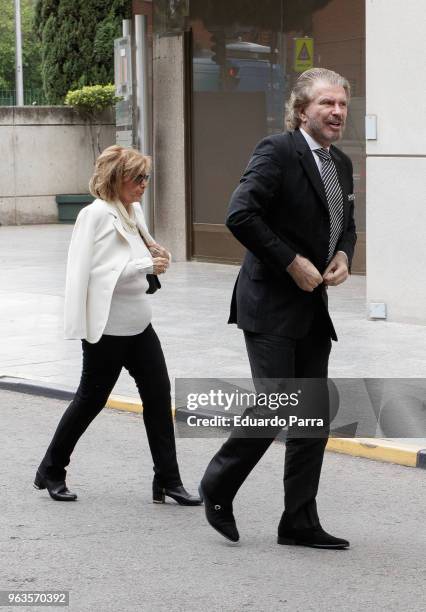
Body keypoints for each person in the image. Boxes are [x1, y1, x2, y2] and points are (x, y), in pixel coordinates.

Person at [200, 68, 356, 548]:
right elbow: (239, 214)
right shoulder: (277, 150)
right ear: (302, 109)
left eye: (342, 105)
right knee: (274, 405)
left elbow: (345, 223)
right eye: (326, 103)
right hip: (269, 302)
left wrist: (344, 255)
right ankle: (218, 484)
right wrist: (292, 263)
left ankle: (299, 521)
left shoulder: (341, 163)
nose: (336, 112)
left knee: (311, 418)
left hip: (312, 307)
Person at [34, 145, 201, 506]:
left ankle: (168, 481)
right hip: (107, 328)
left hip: (140, 324)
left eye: (147, 178)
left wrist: (159, 256)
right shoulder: (93, 216)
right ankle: (52, 469)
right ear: (116, 179)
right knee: (89, 401)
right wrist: (144, 267)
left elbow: (142, 254)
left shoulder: (132, 211)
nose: (144, 185)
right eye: (137, 178)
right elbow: (89, 274)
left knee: (159, 399)